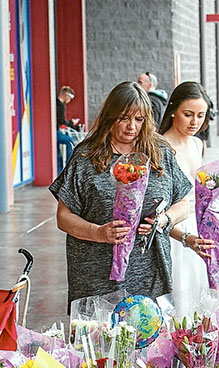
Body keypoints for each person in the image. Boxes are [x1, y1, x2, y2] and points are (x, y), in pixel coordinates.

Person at [49, 81, 191, 308]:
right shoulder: (86, 156)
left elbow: (183, 203)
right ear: (110, 116)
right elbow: (63, 217)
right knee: (101, 339)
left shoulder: (160, 152)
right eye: (124, 118)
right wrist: (98, 233)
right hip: (95, 275)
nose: (131, 127)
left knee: (149, 338)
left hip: (151, 271)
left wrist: (164, 219)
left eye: (139, 119)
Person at [159, 81, 215, 307]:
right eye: (188, 114)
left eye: (201, 116)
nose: (195, 122)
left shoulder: (198, 144)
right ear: (173, 109)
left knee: (198, 299)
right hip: (172, 230)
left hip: (198, 229)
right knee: (177, 299)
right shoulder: (160, 146)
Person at [56, 86, 80, 171]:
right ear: (65, 95)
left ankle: (58, 172)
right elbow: (61, 121)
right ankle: (69, 166)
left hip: (54, 131)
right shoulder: (60, 105)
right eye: (69, 98)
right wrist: (72, 123)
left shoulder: (55, 103)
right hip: (55, 132)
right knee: (69, 141)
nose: (69, 100)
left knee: (57, 154)